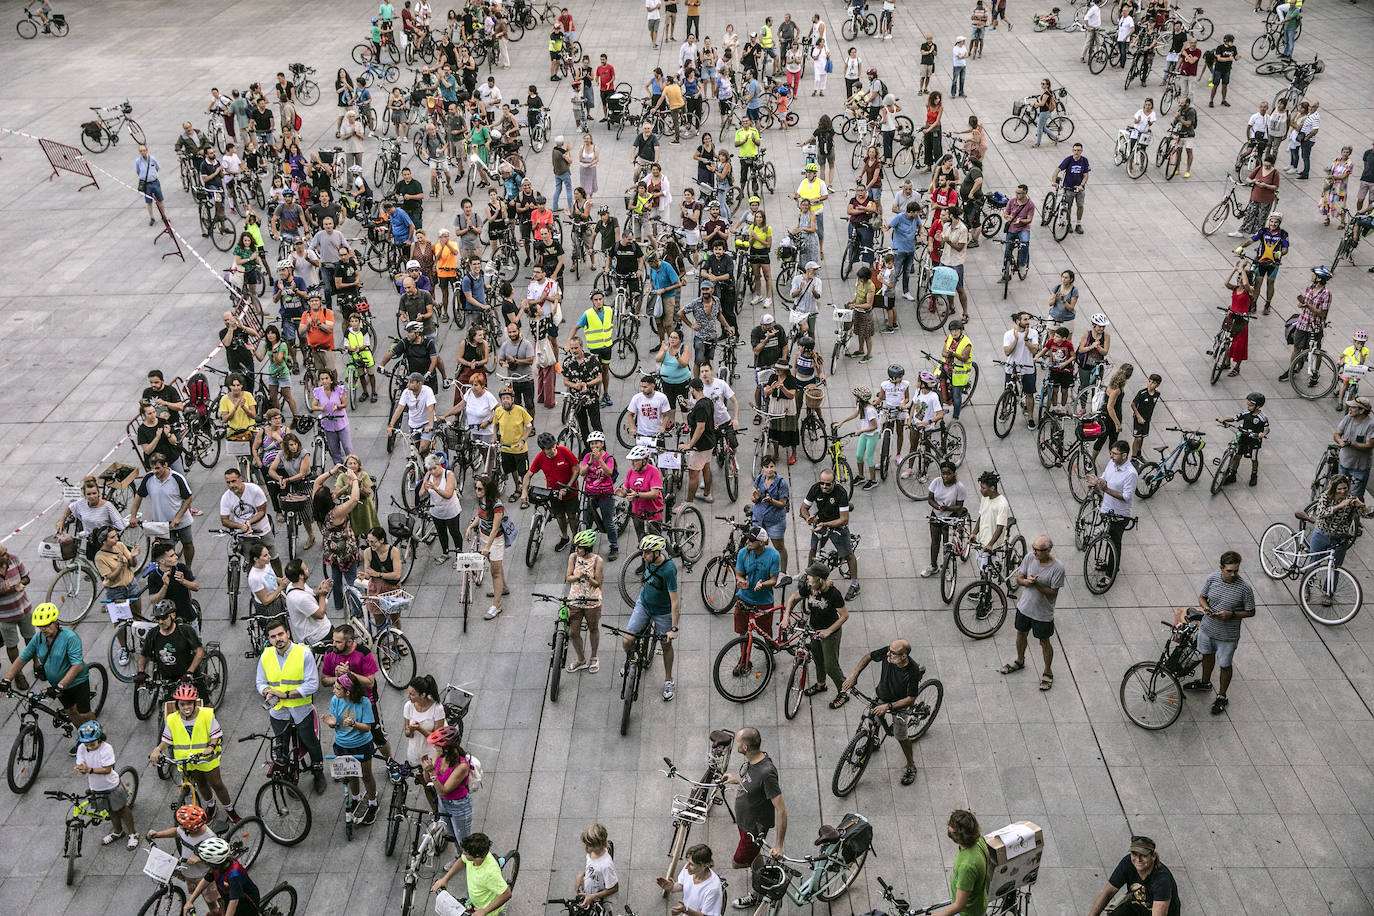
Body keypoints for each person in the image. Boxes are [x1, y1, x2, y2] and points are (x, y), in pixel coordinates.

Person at [2, 604, 98, 741]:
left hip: (77, 682)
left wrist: (61, 686)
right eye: (40, 626)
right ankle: (84, 739)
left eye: (47, 625)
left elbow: (76, 665)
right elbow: (22, 658)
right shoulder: (38, 638)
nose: (43, 629)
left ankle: (96, 737)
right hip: (56, 685)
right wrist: (7, 679)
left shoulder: (70, 638)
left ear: (56, 622)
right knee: (70, 711)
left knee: (84, 714)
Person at [148, 683, 241, 824]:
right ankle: (211, 807)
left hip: (207, 759)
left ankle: (230, 810)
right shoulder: (172, 719)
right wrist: (157, 749)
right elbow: (167, 740)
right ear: (177, 704)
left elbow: (215, 734)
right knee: (201, 784)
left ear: (195, 703)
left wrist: (211, 746)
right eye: (182, 704)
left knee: (217, 784)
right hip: (188, 761)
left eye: (189, 704)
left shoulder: (206, 714)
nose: (186, 708)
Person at [255, 616, 326, 793]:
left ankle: (318, 772)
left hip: (301, 708)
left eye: (280, 634)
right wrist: (266, 692)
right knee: (281, 746)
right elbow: (260, 682)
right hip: (278, 710)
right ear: (269, 639)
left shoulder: (304, 653)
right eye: (273, 636)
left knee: (311, 742)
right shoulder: (266, 655)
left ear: (288, 634)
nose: (277, 639)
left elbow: (312, 684)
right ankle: (287, 776)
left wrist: (286, 694)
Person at [840, 639, 925, 785]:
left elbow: (911, 699)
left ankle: (911, 765)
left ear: (904, 656)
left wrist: (889, 706)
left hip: (899, 705)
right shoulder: (888, 654)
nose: (888, 653)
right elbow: (868, 657)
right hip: (881, 695)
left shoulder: (912, 671)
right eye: (889, 650)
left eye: (893, 652)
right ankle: (873, 741)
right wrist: (854, 676)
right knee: (871, 719)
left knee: (901, 736)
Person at [723, 727, 787, 907]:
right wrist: (736, 779)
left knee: (737, 863)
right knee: (754, 855)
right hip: (745, 823)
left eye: (737, 742)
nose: (735, 744)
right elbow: (753, 784)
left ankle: (761, 887)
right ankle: (760, 867)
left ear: (745, 747)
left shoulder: (767, 773)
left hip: (754, 829)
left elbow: (782, 810)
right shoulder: (754, 760)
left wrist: (779, 845)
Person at [998, 536, 1066, 692]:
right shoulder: (1029, 557)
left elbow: (1053, 593)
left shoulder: (1057, 568)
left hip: (1043, 614)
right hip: (1024, 608)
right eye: (1033, 548)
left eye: (1038, 550)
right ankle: (1019, 661)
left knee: (1044, 642)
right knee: (1021, 634)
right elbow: (1019, 578)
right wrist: (1025, 582)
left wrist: (1036, 584)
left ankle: (1048, 671)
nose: (1035, 552)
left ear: (1048, 550)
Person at [621, 533, 681, 700]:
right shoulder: (648, 560)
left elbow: (675, 601)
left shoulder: (669, 569)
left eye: (646, 552)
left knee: (666, 645)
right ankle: (631, 659)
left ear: (657, 552)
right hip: (644, 604)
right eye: (643, 552)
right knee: (627, 640)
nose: (643, 556)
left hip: (663, 612)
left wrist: (674, 628)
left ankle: (669, 680)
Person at [781, 563, 849, 703]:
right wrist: (786, 616)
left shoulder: (833, 593)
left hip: (831, 633)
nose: (808, 578)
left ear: (819, 579)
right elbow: (793, 598)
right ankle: (821, 685)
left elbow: (844, 616)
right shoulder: (809, 588)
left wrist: (828, 631)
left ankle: (843, 693)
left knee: (831, 666)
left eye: (811, 576)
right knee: (818, 660)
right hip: (813, 629)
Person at [73, 721, 139, 850]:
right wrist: (80, 769)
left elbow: (107, 769)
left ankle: (133, 833)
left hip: (111, 786)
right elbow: (81, 764)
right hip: (96, 787)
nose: (89, 747)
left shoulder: (106, 748)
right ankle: (118, 831)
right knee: (110, 811)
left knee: (122, 810)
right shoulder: (82, 748)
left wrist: (89, 770)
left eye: (92, 744)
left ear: (99, 738)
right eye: (86, 744)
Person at [128, 452, 196, 574]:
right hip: (163, 524)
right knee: (168, 550)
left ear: (165, 465)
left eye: (158, 468)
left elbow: (188, 498)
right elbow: (138, 497)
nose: (155, 471)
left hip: (181, 521)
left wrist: (178, 517)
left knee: (187, 544)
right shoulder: (148, 479)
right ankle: (171, 571)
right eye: (153, 468)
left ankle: (188, 568)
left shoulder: (177, 478)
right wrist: (133, 516)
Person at [1087, 835, 1180, 916]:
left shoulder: (1161, 879)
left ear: (1153, 856)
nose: (1138, 859)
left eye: (1143, 855)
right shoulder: (1127, 863)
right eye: (1134, 854)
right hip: (1136, 907)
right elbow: (1107, 894)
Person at [801, 469, 859, 599]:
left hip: (838, 525)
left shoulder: (841, 492)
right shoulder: (815, 488)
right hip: (821, 522)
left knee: (848, 555)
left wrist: (826, 524)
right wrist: (807, 518)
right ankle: (808, 575)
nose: (824, 487)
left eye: (828, 484)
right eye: (822, 483)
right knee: (813, 549)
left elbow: (844, 519)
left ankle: (855, 584)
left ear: (834, 482)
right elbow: (803, 508)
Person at [431, 831, 512, 910]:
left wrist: (484, 911)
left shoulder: (490, 873)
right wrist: (445, 879)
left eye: (466, 853)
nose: (463, 853)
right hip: (475, 900)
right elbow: (462, 861)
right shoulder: (472, 856)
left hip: (486, 909)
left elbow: (507, 894)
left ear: (477, 856)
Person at [186, 836, 262, 916]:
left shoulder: (233, 876)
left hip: (245, 904)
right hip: (229, 897)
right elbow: (206, 880)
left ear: (212, 863)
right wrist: (190, 901)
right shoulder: (219, 866)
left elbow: (234, 901)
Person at [1281, 266, 1333, 379]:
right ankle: (1291, 370)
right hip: (1302, 324)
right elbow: (1305, 302)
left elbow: (1323, 313)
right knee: (1296, 348)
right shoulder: (1310, 287)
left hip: (1315, 327)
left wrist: (1308, 306)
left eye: (1314, 274)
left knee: (1316, 351)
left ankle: (1315, 374)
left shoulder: (1326, 294)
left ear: (1319, 278)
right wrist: (1302, 303)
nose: (1312, 276)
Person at [577, 433, 620, 560]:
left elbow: (609, 472)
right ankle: (586, 546)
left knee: (608, 522)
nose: (594, 445)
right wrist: (590, 462)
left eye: (597, 443)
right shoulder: (587, 456)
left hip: (605, 495)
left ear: (602, 444)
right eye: (592, 443)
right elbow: (582, 473)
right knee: (586, 520)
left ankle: (614, 546)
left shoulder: (609, 458)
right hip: (589, 493)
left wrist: (599, 460)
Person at [1216, 392, 1269, 487]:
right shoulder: (1246, 412)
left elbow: (1267, 429)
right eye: (1247, 404)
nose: (1248, 407)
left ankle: (1254, 474)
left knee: (1253, 458)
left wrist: (1262, 434)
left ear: (1258, 406)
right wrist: (1224, 419)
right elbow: (1235, 418)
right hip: (1244, 437)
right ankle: (1233, 475)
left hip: (1254, 439)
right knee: (1237, 456)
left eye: (1251, 405)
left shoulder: (1263, 417)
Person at [656, 842, 722, 916]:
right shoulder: (689, 869)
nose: (686, 867)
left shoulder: (713, 889)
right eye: (687, 861)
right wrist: (672, 887)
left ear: (704, 865)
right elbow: (682, 884)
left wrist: (685, 910)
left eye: (691, 864)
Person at [1335, 396, 1374, 499]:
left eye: (1353, 407)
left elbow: (1369, 445)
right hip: (1343, 464)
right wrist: (1340, 440)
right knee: (1341, 495)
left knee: (1354, 498)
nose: (1350, 409)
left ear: (1361, 410)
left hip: (1359, 469)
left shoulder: (1371, 425)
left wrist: (1352, 444)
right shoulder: (1348, 417)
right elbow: (1337, 434)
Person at [1051, 143, 1090, 234]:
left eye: (1078, 150)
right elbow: (1057, 170)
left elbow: (1086, 175)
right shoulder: (1068, 160)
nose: (1076, 152)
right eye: (1075, 150)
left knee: (1080, 206)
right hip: (1068, 188)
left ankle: (1078, 224)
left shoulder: (1084, 161)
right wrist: (1054, 182)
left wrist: (1081, 185)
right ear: (1072, 150)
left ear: (1081, 151)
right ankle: (1068, 223)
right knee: (1069, 206)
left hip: (1079, 189)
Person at [1129, 374, 1162, 458]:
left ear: (1157, 385)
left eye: (1153, 383)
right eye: (1149, 381)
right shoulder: (1142, 393)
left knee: (1142, 437)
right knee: (1138, 438)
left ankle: (1139, 454)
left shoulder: (1157, 394)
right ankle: (1133, 457)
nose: (1150, 384)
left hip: (1147, 420)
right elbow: (1133, 404)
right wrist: (1138, 416)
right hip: (1138, 419)